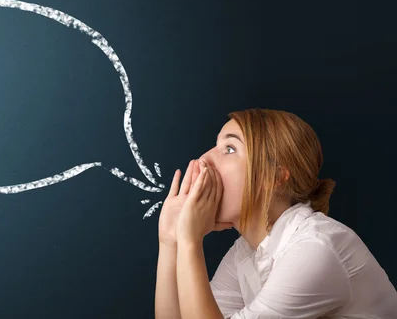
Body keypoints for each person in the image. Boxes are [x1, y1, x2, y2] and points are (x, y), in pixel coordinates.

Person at [154, 108, 397, 319]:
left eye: (229, 148)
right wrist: (169, 241)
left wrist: (190, 241)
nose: (204, 159)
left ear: (274, 178)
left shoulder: (314, 248)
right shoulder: (244, 253)